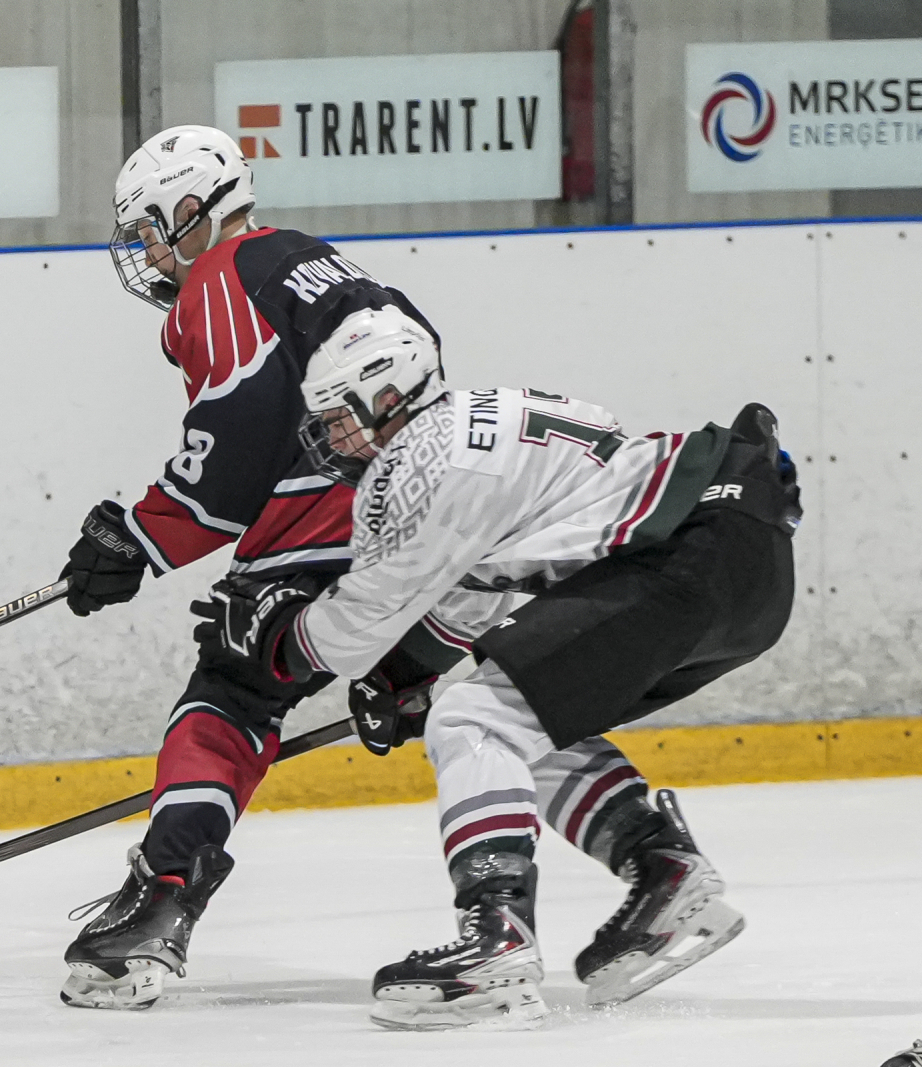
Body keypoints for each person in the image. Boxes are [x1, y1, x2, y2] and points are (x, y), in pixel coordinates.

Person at [57, 124, 675, 1014]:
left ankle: (160, 900)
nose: (150, 253)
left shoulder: (223, 274)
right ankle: (652, 850)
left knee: (235, 688)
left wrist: (143, 536)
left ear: (192, 211)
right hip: (412, 511)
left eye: (152, 229)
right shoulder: (316, 261)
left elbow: (237, 430)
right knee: (493, 700)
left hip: (321, 514)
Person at [192, 306, 800, 1030]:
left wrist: (271, 635)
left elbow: (354, 627)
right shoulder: (480, 423)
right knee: (522, 713)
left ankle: (496, 941)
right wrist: (402, 678)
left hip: (686, 556)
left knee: (472, 720)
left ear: (389, 396)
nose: (330, 437)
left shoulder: (413, 462)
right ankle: (663, 868)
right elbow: (480, 585)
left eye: (339, 416)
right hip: (740, 564)